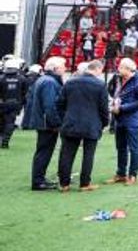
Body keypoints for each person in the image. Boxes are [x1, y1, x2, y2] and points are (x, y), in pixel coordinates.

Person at [56, 60, 110, 192]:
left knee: (67, 154)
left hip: (71, 122)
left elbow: (59, 103)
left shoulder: (70, 82)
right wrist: (104, 122)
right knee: (88, 155)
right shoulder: (100, 85)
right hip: (92, 124)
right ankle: (85, 183)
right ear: (97, 69)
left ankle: (64, 184)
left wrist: (65, 117)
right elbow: (104, 108)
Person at [23, 57, 67, 190]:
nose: (65, 68)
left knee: (43, 151)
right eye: (63, 66)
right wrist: (56, 123)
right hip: (47, 123)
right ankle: (38, 181)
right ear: (55, 68)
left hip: (43, 121)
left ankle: (39, 179)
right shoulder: (49, 82)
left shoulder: (45, 80)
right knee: (44, 152)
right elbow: (50, 106)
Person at [106, 57, 138, 185]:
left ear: (128, 69)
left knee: (134, 148)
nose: (118, 69)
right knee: (121, 147)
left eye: (121, 67)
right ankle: (121, 173)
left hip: (132, 120)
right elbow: (114, 92)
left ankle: (133, 174)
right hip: (120, 119)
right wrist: (114, 102)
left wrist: (122, 108)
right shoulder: (118, 79)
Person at [1, 58, 28, 148]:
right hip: (15, 104)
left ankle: (1, 138)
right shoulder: (22, 79)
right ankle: (5, 140)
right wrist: (21, 103)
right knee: (10, 122)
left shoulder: (1, 78)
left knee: (2, 122)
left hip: (2, 103)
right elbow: (25, 92)